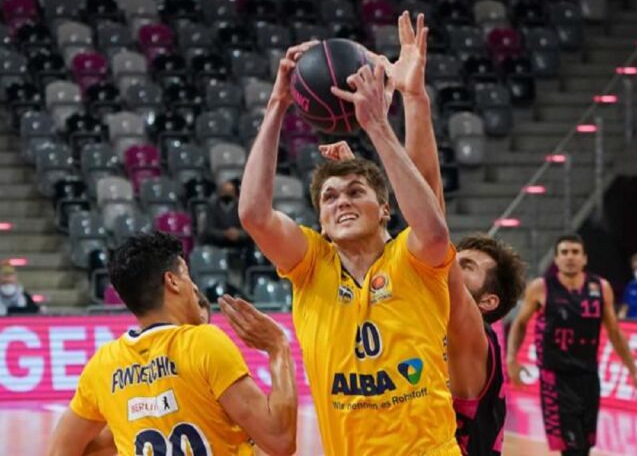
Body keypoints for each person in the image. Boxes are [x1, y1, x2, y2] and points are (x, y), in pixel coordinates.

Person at [311, 13, 528, 454]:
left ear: (488, 302)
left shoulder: (471, 331)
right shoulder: (425, 316)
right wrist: (360, 188)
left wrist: (413, 99)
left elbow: (428, 220)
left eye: (466, 266)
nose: (450, 262)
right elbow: (411, 235)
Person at [237, 29, 461, 455]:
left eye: (356, 192)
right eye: (330, 197)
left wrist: (379, 124)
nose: (342, 202)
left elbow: (433, 226)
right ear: (321, 223)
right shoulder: (311, 267)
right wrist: (278, 103)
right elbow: (254, 215)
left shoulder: (412, 259)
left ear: (385, 210)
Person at [46, 232, 298, 456]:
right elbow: (280, 440)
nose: (194, 286)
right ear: (172, 281)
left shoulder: (102, 365)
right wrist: (278, 348)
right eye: (187, 275)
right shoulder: (204, 342)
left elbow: (60, 451)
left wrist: (128, 426)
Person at [507, 235, 637, 456]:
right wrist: (511, 358)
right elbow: (520, 324)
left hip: (588, 375)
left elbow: (614, 332)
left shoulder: (600, 287)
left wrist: (634, 371)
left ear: (584, 258)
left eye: (575, 252)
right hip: (555, 377)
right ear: (556, 259)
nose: (570, 257)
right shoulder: (541, 287)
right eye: (564, 252)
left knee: (584, 446)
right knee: (571, 447)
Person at [200, 180, 251, 248]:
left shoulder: (241, 207)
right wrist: (225, 234)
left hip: (239, 246)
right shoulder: (212, 207)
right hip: (217, 246)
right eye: (225, 192)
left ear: (234, 193)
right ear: (220, 192)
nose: (227, 195)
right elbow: (208, 230)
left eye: (230, 192)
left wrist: (239, 234)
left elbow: (249, 230)